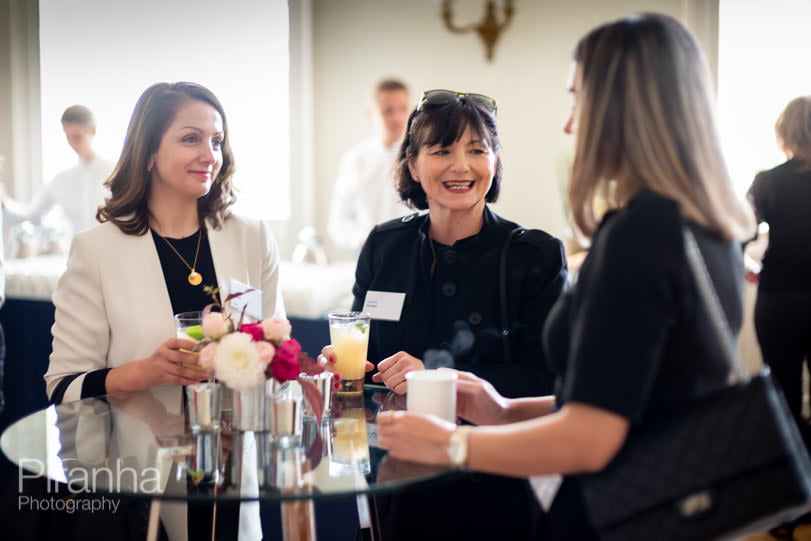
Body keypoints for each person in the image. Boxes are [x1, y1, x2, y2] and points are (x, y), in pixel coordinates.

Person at [377, 13, 756, 540]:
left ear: (624, 107)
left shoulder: (639, 234)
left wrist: (452, 446)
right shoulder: (711, 222)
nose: (571, 124)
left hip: (615, 515)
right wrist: (503, 409)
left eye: (579, 100)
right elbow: (630, 394)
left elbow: (591, 436)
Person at [42, 82, 284, 540]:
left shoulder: (252, 236)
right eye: (191, 138)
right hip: (141, 479)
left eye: (217, 141)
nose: (209, 153)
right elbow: (63, 385)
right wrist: (144, 371)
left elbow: (273, 354)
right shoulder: (98, 250)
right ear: (148, 150)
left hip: (232, 471)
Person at [322, 90, 568, 540]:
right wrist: (342, 367)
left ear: (494, 162)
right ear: (413, 165)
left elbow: (551, 382)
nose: (462, 166)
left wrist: (431, 377)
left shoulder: (536, 255)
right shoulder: (384, 245)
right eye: (442, 151)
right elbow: (366, 356)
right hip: (393, 485)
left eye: (478, 150)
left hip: (492, 488)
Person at [748, 97, 811, 443]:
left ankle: (794, 478)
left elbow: (739, 233)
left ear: (784, 132)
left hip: (779, 301)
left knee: (783, 397)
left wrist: (746, 267)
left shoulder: (766, 182)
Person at [326, 78, 412, 258]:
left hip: (415, 258)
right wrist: (362, 240)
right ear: (371, 113)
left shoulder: (421, 158)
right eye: (388, 110)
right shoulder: (355, 160)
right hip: (369, 260)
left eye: (402, 109)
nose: (397, 117)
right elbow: (338, 222)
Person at [1, 105, 113, 237]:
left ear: (92, 131)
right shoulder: (61, 180)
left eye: (77, 136)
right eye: (67, 136)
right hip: (77, 253)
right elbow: (31, 215)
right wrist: (3, 201)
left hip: (112, 251)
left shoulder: (115, 172)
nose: (71, 143)